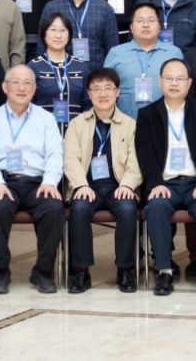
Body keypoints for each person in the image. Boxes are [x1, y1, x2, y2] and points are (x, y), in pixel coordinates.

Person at [135, 58, 196, 295]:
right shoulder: (147, 114)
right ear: (160, 81)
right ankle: (164, 272)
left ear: (189, 83)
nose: (174, 83)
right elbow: (145, 152)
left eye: (180, 78)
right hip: (165, 183)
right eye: (169, 78)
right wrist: (155, 183)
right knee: (156, 207)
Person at [0, 65, 66, 294]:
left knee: (53, 209)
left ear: (34, 89)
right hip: (5, 182)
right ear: (4, 87)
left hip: (38, 182)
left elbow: (55, 154)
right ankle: (0, 271)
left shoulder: (46, 119)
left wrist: (50, 181)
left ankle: (43, 271)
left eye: (27, 83)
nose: (21, 88)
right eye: (15, 82)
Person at [62, 68, 141, 293]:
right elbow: (70, 158)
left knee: (127, 210)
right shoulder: (77, 124)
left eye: (108, 88)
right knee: (78, 209)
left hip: (119, 185)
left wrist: (127, 185)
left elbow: (137, 161)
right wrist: (80, 185)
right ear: (88, 94)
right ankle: (81, 271)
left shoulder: (130, 124)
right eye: (96, 89)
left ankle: (125, 270)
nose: (103, 94)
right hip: (88, 186)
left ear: (117, 92)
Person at [104, 3, 184, 117]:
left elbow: (182, 91)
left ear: (159, 26)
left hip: (164, 121)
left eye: (151, 20)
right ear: (131, 27)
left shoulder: (174, 54)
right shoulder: (116, 53)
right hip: (124, 123)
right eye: (140, 20)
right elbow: (105, 91)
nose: (145, 25)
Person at [39, 0, 118, 69]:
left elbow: (113, 50)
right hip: (61, 74)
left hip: (96, 75)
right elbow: (42, 47)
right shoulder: (51, 8)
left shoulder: (104, 8)